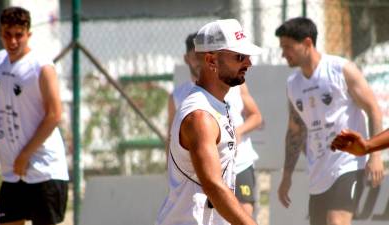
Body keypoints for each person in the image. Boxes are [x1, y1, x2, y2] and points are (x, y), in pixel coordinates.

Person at [275, 17, 384, 225]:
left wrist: (375, 155)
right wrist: (287, 175)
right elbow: (295, 132)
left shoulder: (340, 69)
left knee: (336, 222)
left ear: (307, 43)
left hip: (348, 164)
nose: (283, 54)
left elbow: (373, 109)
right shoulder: (293, 84)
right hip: (319, 172)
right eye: (282, 48)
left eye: (288, 47)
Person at [156, 19, 262, 225]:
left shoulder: (217, 104)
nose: (248, 63)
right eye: (239, 57)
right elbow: (213, 185)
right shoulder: (200, 116)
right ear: (211, 60)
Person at [0, 7, 69, 225]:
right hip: (12, 173)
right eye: (7, 34)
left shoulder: (41, 66)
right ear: (0, 33)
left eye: (18, 35)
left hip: (44, 170)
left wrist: (25, 154)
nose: (13, 41)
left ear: (28, 35)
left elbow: (54, 114)